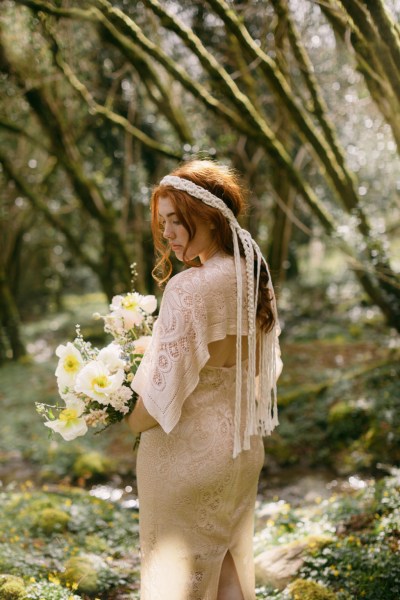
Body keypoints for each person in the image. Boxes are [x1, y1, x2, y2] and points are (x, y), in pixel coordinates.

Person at [126, 159, 282, 600]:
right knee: (229, 567)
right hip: (241, 449)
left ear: (210, 217)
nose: (169, 233)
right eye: (163, 223)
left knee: (179, 584)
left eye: (178, 220)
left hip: (184, 457)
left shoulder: (188, 287)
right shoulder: (254, 279)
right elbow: (256, 368)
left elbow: (156, 404)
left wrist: (124, 413)